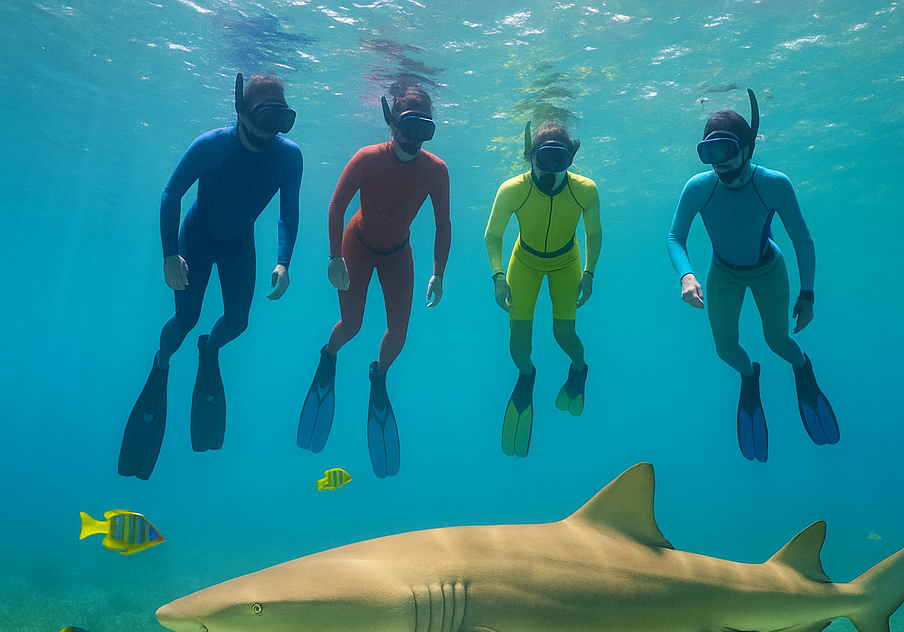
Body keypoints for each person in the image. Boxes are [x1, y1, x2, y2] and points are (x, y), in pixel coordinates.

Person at [119, 73, 302, 480]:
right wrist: (170, 254)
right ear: (241, 112)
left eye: (281, 122)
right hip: (197, 238)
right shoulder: (212, 145)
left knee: (237, 322)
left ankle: (210, 349)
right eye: (265, 119)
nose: (271, 133)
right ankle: (163, 363)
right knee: (185, 319)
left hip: (239, 243)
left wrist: (283, 260)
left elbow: (289, 210)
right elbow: (171, 193)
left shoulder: (288, 157)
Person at [667, 90, 838, 463]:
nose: (720, 164)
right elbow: (675, 237)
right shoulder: (699, 187)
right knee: (725, 349)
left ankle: (802, 369)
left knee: (778, 341)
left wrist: (807, 295)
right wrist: (686, 276)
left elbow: (802, 240)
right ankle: (750, 376)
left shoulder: (774, 184)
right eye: (710, 153)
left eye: (727, 150)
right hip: (722, 273)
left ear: (747, 148)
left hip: (768, 270)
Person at [296, 85, 451, 478]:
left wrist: (439, 272)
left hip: (399, 253)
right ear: (390, 122)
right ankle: (328, 356)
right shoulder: (367, 158)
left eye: (424, 131)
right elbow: (336, 205)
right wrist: (333, 256)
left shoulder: (436, 170)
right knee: (352, 325)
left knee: (399, 333)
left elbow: (443, 224)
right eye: (407, 128)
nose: (414, 141)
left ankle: (378, 375)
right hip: (358, 245)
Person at [484, 122, 602, 458]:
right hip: (525, 263)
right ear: (529, 156)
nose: (550, 168)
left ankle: (579, 368)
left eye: (559, 159)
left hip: (567, 263)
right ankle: (527, 375)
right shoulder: (512, 189)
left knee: (564, 334)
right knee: (518, 344)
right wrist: (498, 276)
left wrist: (590, 272)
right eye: (544, 158)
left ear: (572, 158)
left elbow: (593, 234)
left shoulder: (585, 189)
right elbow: (493, 235)